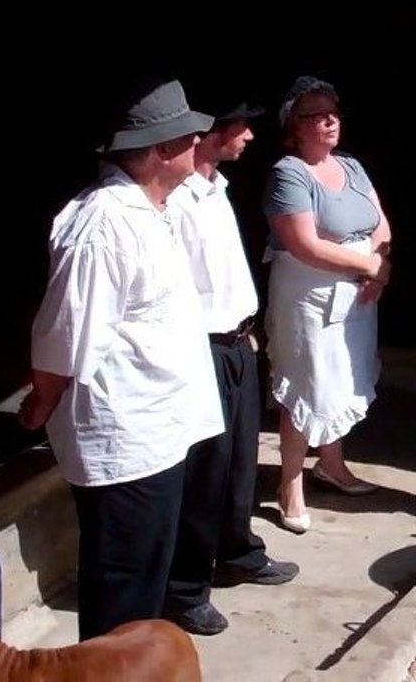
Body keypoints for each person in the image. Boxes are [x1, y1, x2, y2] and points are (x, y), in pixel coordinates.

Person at [18, 78, 224, 640]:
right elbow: (63, 336)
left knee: (144, 599)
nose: (199, 141)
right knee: (122, 601)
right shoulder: (102, 222)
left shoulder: (154, 208)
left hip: (161, 433)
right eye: (187, 136)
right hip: (126, 441)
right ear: (161, 150)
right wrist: (41, 406)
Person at [163, 93, 299, 636]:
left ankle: (238, 548)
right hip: (203, 346)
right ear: (213, 132)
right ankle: (186, 588)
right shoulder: (177, 199)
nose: (249, 136)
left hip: (238, 340)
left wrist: (248, 332)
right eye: (241, 127)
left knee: (242, 457)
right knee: (205, 469)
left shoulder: (218, 188)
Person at [262, 76, 392, 533]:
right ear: (294, 127)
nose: (328, 120)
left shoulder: (352, 166)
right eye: (315, 114)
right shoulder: (289, 172)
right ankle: (290, 483)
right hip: (309, 295)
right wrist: (370, 265)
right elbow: (303, 244)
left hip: (356, 292)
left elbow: (380, 225)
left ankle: (332, 465)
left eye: (332, 111)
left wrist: (381, 261)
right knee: (307, 383)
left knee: (341, 378)